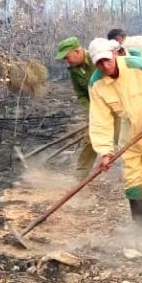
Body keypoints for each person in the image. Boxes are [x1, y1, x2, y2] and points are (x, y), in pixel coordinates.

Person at [87, 38, 142, 231]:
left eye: (106, 60)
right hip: (130, 133)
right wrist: (105, 151)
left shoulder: (138, 65)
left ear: (114, 54)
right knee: (133, 179)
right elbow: (100, 120)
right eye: (99, 63)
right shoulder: (96, 84)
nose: (104, 65)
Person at [55, 36, 98, 179]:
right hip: (95, 108)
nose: (66, 61)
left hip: (117, 106)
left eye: (67, 57)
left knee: (121, 140)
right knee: (91, 140)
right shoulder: (74, 70)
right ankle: (80, 177)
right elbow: (80, 94)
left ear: (78, 51)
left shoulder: (97, 59)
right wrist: (91, 108)